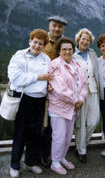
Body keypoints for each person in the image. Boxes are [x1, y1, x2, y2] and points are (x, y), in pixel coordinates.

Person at [8, 29, 53, 178]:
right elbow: (16, 77)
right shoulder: (19, 56)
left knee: (35, 134)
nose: (37, 46)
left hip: (40, 100)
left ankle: (30, 163)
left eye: (41, 44)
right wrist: (38, 77)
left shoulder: (46, 59)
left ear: (44, 45)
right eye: (35, 42)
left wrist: (49, 84)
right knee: (20, 133)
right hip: (24, 100)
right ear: (30, 41)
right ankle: (14, 165)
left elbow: (49, 77)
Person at [48, 37, 87, 175]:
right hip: (59, 108)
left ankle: (62, 158)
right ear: (59, 51)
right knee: (58, 136)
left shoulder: (76, 65)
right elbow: (59, 89)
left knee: (68, 135)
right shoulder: (54, 65)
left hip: (73, 108)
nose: (67, 51)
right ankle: (55, 162)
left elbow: (83, 84)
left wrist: (81, 98)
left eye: (70, 49)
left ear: (73, 50)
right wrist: (76, 101)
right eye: (64, 49)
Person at [40, 15, 68, 167]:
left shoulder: (66, 43)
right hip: (44, 89)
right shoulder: (42, 40)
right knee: (43, 124)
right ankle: (42, 154)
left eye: (60, 26)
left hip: (60, 91)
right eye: (54, 25)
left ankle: (53, 154)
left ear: (63, 28)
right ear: (49, 25)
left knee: (54, 125)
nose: (57, 29)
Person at [72, 28, 100, 163]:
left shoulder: (92, 53)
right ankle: (81, 150)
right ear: (78, 39)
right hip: (79, 93)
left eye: (88, 40)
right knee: (81, 123)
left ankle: (82, 144)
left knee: (94, 121)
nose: (85, 41)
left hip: (93, 90)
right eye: (83, 38)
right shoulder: (71, 54)